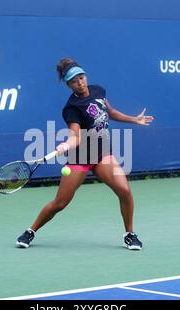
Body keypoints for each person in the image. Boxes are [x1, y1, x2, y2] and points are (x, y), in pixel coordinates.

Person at [16, 58, 154, 250]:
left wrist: (133, 119)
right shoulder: (72, 107)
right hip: (80, 158)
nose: (80, 82)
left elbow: (110, 112)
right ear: (68, 85)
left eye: (81, 77)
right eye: (74, 81)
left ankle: (130, 234)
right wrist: (64, 146)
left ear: (85, 76)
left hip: (102, 153)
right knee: (60, 203)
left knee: (124, 191)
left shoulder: (98, 91)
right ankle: (30, 231)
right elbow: (75, 136)